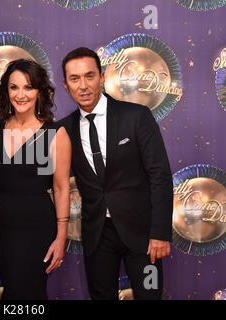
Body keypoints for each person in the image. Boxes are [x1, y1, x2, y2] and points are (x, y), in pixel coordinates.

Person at [59, 47, 173, 300]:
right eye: (75, 79)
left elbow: (160, 176)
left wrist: (160, 233)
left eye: (89, 76)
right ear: (66, 85)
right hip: (98, 237)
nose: (83, 86)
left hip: (144, 238)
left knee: (150, 295)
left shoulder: (136, 117)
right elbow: (45, 176)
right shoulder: (63, 130)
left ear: (101, 77)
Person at [0, 59, 71, 299]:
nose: (21, 94)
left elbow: (61, 188)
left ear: (39, 91)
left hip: (36, 228)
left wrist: (61, 237)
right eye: (14, 87)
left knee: (29, 293)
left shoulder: (55, 134)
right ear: (6, 90)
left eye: (28, 87)